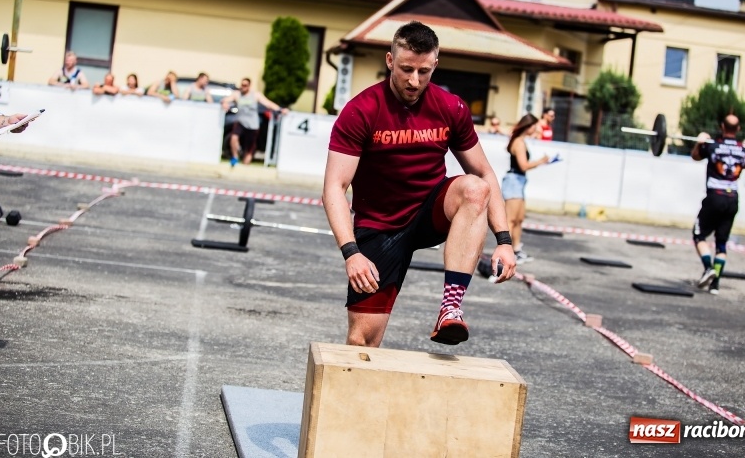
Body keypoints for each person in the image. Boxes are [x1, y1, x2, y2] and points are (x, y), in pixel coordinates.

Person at [322, 21, 516, 349]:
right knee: (363, 341)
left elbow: (485, 174)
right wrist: (351, 253)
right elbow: (334, 187)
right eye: (406, 69)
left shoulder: (451, 107)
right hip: (380, 225)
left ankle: (450, 308)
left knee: (474, 189)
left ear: (435, 65)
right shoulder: (361, 111)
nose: (414, 81)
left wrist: (505, 240)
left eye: (424, 71)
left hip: (429, 213)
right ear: (389, 61)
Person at [692, 114, 745, 295]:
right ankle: (715, 285)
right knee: (721, 243)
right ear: (739, 129)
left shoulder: (712, 146)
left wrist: (699, 142)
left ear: (722, 127)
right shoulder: (743, 149)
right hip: (732, 199)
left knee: (698, 235)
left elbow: (695, 156)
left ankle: (708, 268)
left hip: (714, 197)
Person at [502, 114, 550, 264]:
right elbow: (524, 165)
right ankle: (505, 253)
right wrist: (541, 162)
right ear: (528, 126)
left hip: (519, 181)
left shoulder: (520, 141)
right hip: (514, 181)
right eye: (534, 126)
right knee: (510, 220)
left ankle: (516, 250)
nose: (536, 129)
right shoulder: (519, 142)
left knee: (519, 219)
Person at [221, 77, 288, 166]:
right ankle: (235, 157)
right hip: (240, 121)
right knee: (233, 138)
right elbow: (225, 100)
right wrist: (225, 103)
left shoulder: (256, 95)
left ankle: (245, 163)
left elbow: (268, 103)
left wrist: (280, 109)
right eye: (242, 85)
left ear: (249, 86)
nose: (243, 87)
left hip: (252, 125)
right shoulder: (237, 94)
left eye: (245, 85)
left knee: (249, 148)